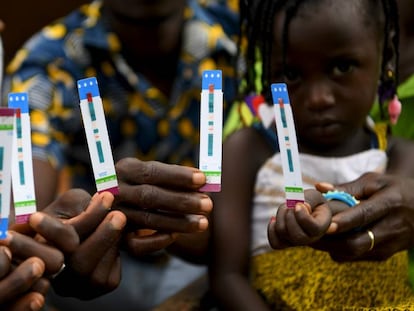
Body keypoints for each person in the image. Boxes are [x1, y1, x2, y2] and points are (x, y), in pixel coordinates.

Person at [4, 0, 238, 309]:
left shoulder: (239, 30)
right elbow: (22, 215)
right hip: (103, 269)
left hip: (208, 263)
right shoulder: (48, 63)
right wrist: (41, 238)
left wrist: (190, 228)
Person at [209, 0, 414, 309]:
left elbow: (386, 213)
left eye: (342, 67)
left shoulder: (400, 154)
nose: (318, 98)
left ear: (386, 57)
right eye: (290, 75)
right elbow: (226, 277)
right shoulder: (247, 150)